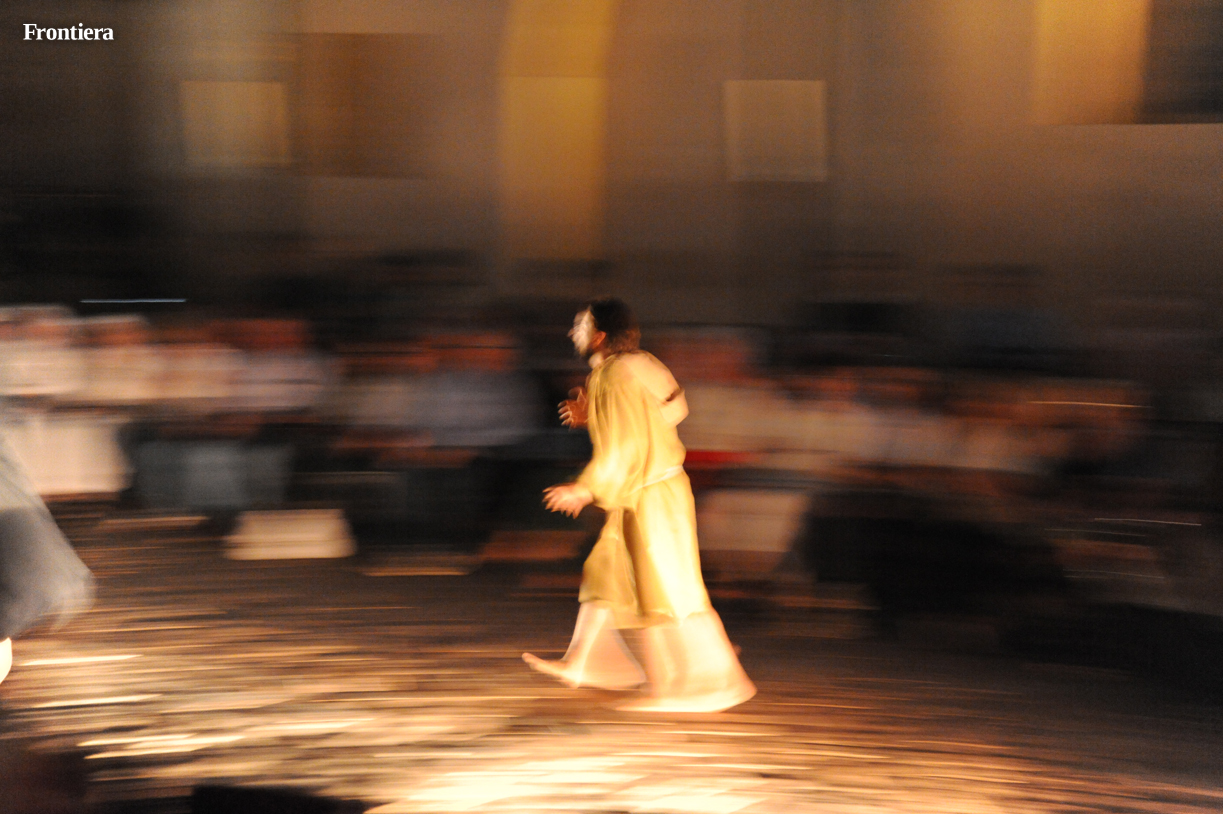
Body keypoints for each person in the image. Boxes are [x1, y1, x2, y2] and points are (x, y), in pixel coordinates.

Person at [523, 298, 755, 712]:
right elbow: (666, 412)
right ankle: (589, 664)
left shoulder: (613, 374)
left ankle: (680, 686)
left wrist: (586, 488)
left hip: (648, 493)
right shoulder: (639, 364)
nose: (574, 332)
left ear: (599, 336)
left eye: (581, 325)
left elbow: (626, 444)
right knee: (609, 574)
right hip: (653, 489)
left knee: (659, 589)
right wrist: (596, 415)